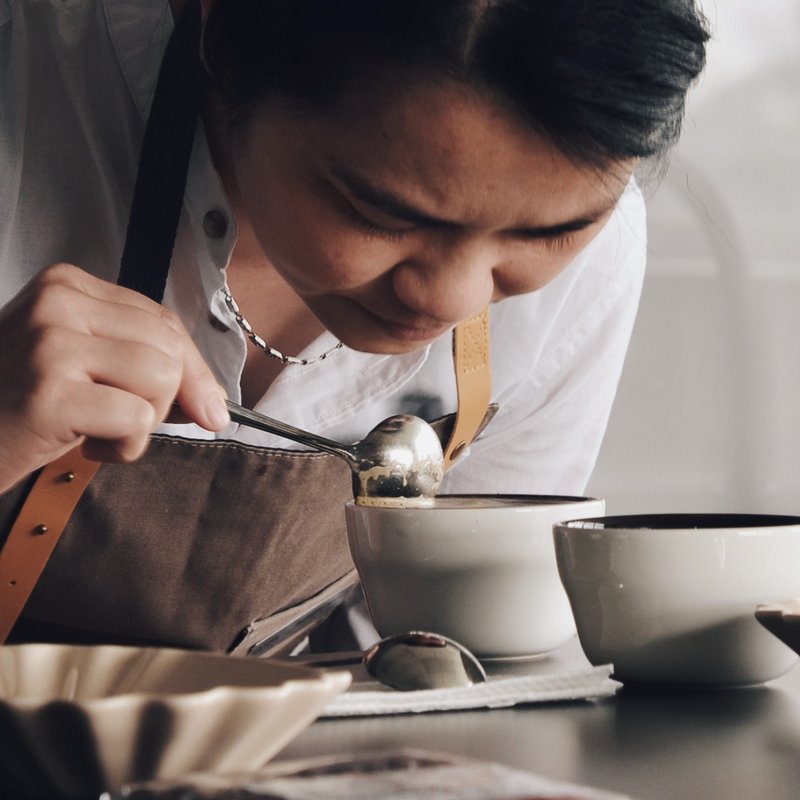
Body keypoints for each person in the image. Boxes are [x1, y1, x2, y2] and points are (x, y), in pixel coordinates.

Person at [0, 0, 709, 652]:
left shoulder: (597, 257)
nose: (450, 296)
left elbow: (470, 651)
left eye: (548, 232)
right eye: (381, 214)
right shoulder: (23, 92)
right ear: (222, 32)